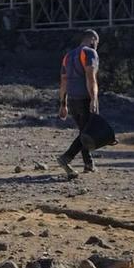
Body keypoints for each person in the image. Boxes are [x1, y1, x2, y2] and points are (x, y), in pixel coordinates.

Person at [56, 29, 101, 177]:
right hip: (84, 98)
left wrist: (63, 103)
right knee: (87, 132)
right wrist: (94, 99)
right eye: (97, 43)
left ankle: (89, 164)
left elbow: (63, 81)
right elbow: (90, 78)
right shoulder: (90, 53)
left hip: (73, 100)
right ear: (93, 40)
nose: (96, 46)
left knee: (84, 131)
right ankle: (66, 158)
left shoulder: (68, 56)